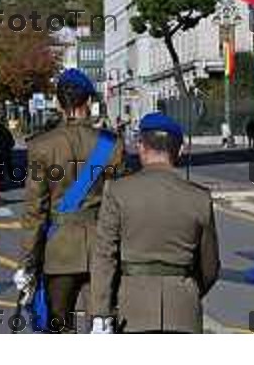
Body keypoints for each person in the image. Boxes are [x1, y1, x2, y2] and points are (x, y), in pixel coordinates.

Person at [14, 68, 124, 333]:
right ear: (88, 102)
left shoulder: (41, 146)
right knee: (103, 328)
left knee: (58, 330)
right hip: (102, 249)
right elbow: (121, 204)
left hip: (59, 250)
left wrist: (28, 262)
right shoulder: (111, 144)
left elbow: (34, 211)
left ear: (58, 103)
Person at [90, 112, 220, 333]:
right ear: (180, 150)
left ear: (140, 146)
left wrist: (101, 313)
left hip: (132, 309)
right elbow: (210, 265)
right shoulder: (199, 197)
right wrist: (187, 290)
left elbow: (104, 256)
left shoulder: (118, 191)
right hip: (183, 309)